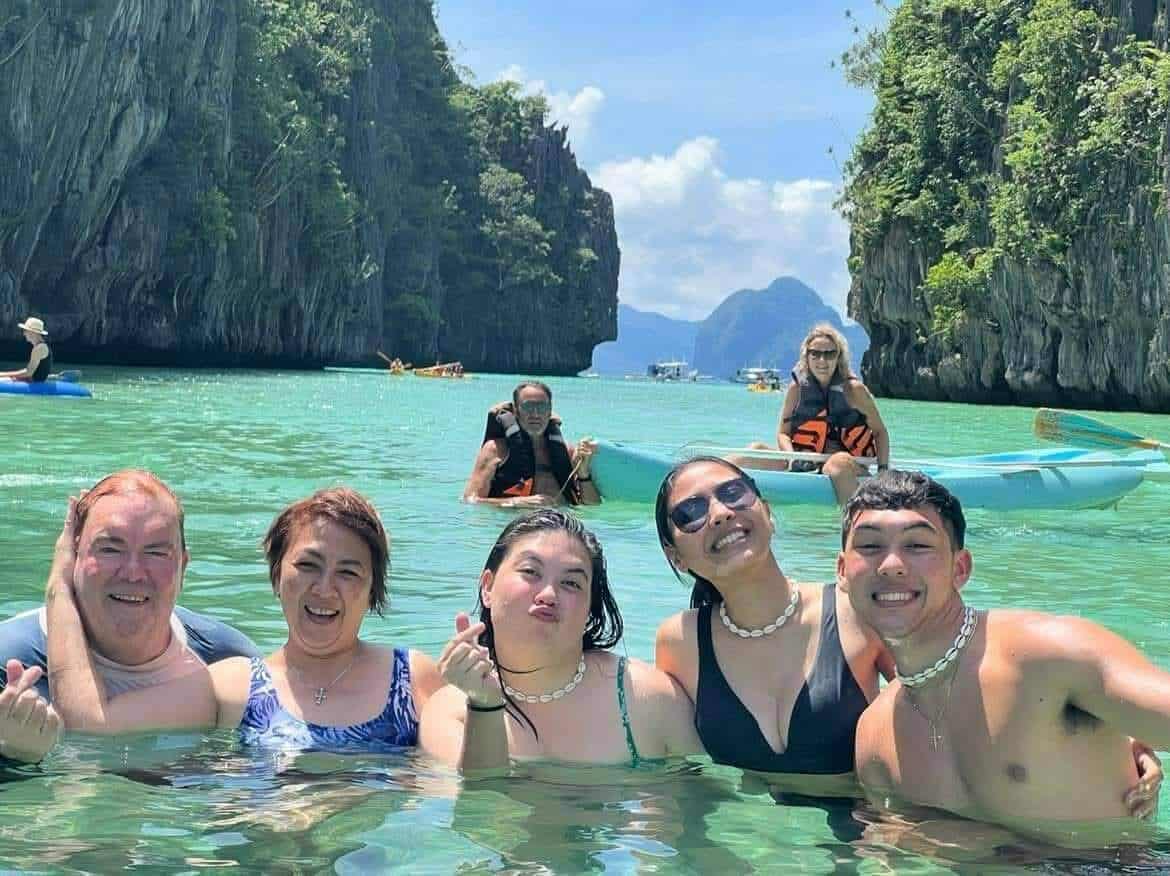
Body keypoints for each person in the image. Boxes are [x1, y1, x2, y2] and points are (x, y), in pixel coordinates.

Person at [652, 457, 1162, 813]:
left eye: (733, 493)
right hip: (781, 842)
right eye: (690, 512)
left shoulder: (863, 610)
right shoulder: (679, 643)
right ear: (674, 555)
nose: (719, 513)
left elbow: (949, 680)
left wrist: (1119, 724)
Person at [842, 470, 1170, 837]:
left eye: (917, 546)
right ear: (842, 572)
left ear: (960, 568)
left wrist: (1123, 726)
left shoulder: (1047, 656)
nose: (892, 565)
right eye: (870, 547)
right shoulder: (873, 736)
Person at [46, 486, 441, 752]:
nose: (324, 588)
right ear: (276, 575)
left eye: (348, 572)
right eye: (308, 565)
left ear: (373, 589)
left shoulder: (414, 680)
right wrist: (59, 591)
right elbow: (90, 725)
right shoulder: (233, 687)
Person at [0, 470, 258, 763]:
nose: (133, 572)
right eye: (110, 549)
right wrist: (16, 760)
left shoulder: (224, 659)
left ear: (183, 566)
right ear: (73, 558)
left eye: (156, 552)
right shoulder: (10, 671)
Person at [420, 509, 699, 770]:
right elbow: (478, 810)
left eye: (571, 583)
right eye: (530, 572)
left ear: (590, 610)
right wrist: (484, 705)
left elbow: (713, 796)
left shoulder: (644, 696)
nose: (549, 595)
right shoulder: (450, 711)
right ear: (488, 587)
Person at [746, 324, 889, 505]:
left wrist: (883, 472)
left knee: (837, 463)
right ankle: (703, 477)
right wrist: (793, 458)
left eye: (829, 354)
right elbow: (783, 433)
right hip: (805, 463)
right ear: (807, 356)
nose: (822, 360)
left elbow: (879, 432)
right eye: (815, 353)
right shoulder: (796, 389)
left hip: (847, 466)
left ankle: (856, 525)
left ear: (839, 357)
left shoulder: (854, 391)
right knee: (755, 449)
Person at [464, 381, 599, 506]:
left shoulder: (567, 451)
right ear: (516, 411)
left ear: (549, 411)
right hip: (516, 525)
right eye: (528, 407)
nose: (535, 414)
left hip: (558, 525)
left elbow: (592, 506)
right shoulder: (496, 450)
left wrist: (583, 474)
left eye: (541, 407)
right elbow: (471, 500)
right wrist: (518, 502)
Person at [0, 316, 53, 383]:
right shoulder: (41, 346)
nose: (24, 334)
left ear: (33, 332)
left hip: (33, 382)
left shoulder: (39, 348)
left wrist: (2, 374)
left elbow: (28, 373)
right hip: (34, 380)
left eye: (25, 330)